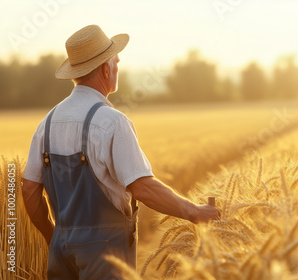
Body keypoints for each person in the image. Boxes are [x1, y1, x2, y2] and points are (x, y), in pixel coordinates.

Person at [21, 24, 220, 279]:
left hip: (61, 250)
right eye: (117, 62)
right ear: (107, 68)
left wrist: (55, 237)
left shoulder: (46, 123)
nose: (117, 68)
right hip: (106, 255)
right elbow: (142, 188)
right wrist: (194, 211)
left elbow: (29, 189)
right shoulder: (112, 122)